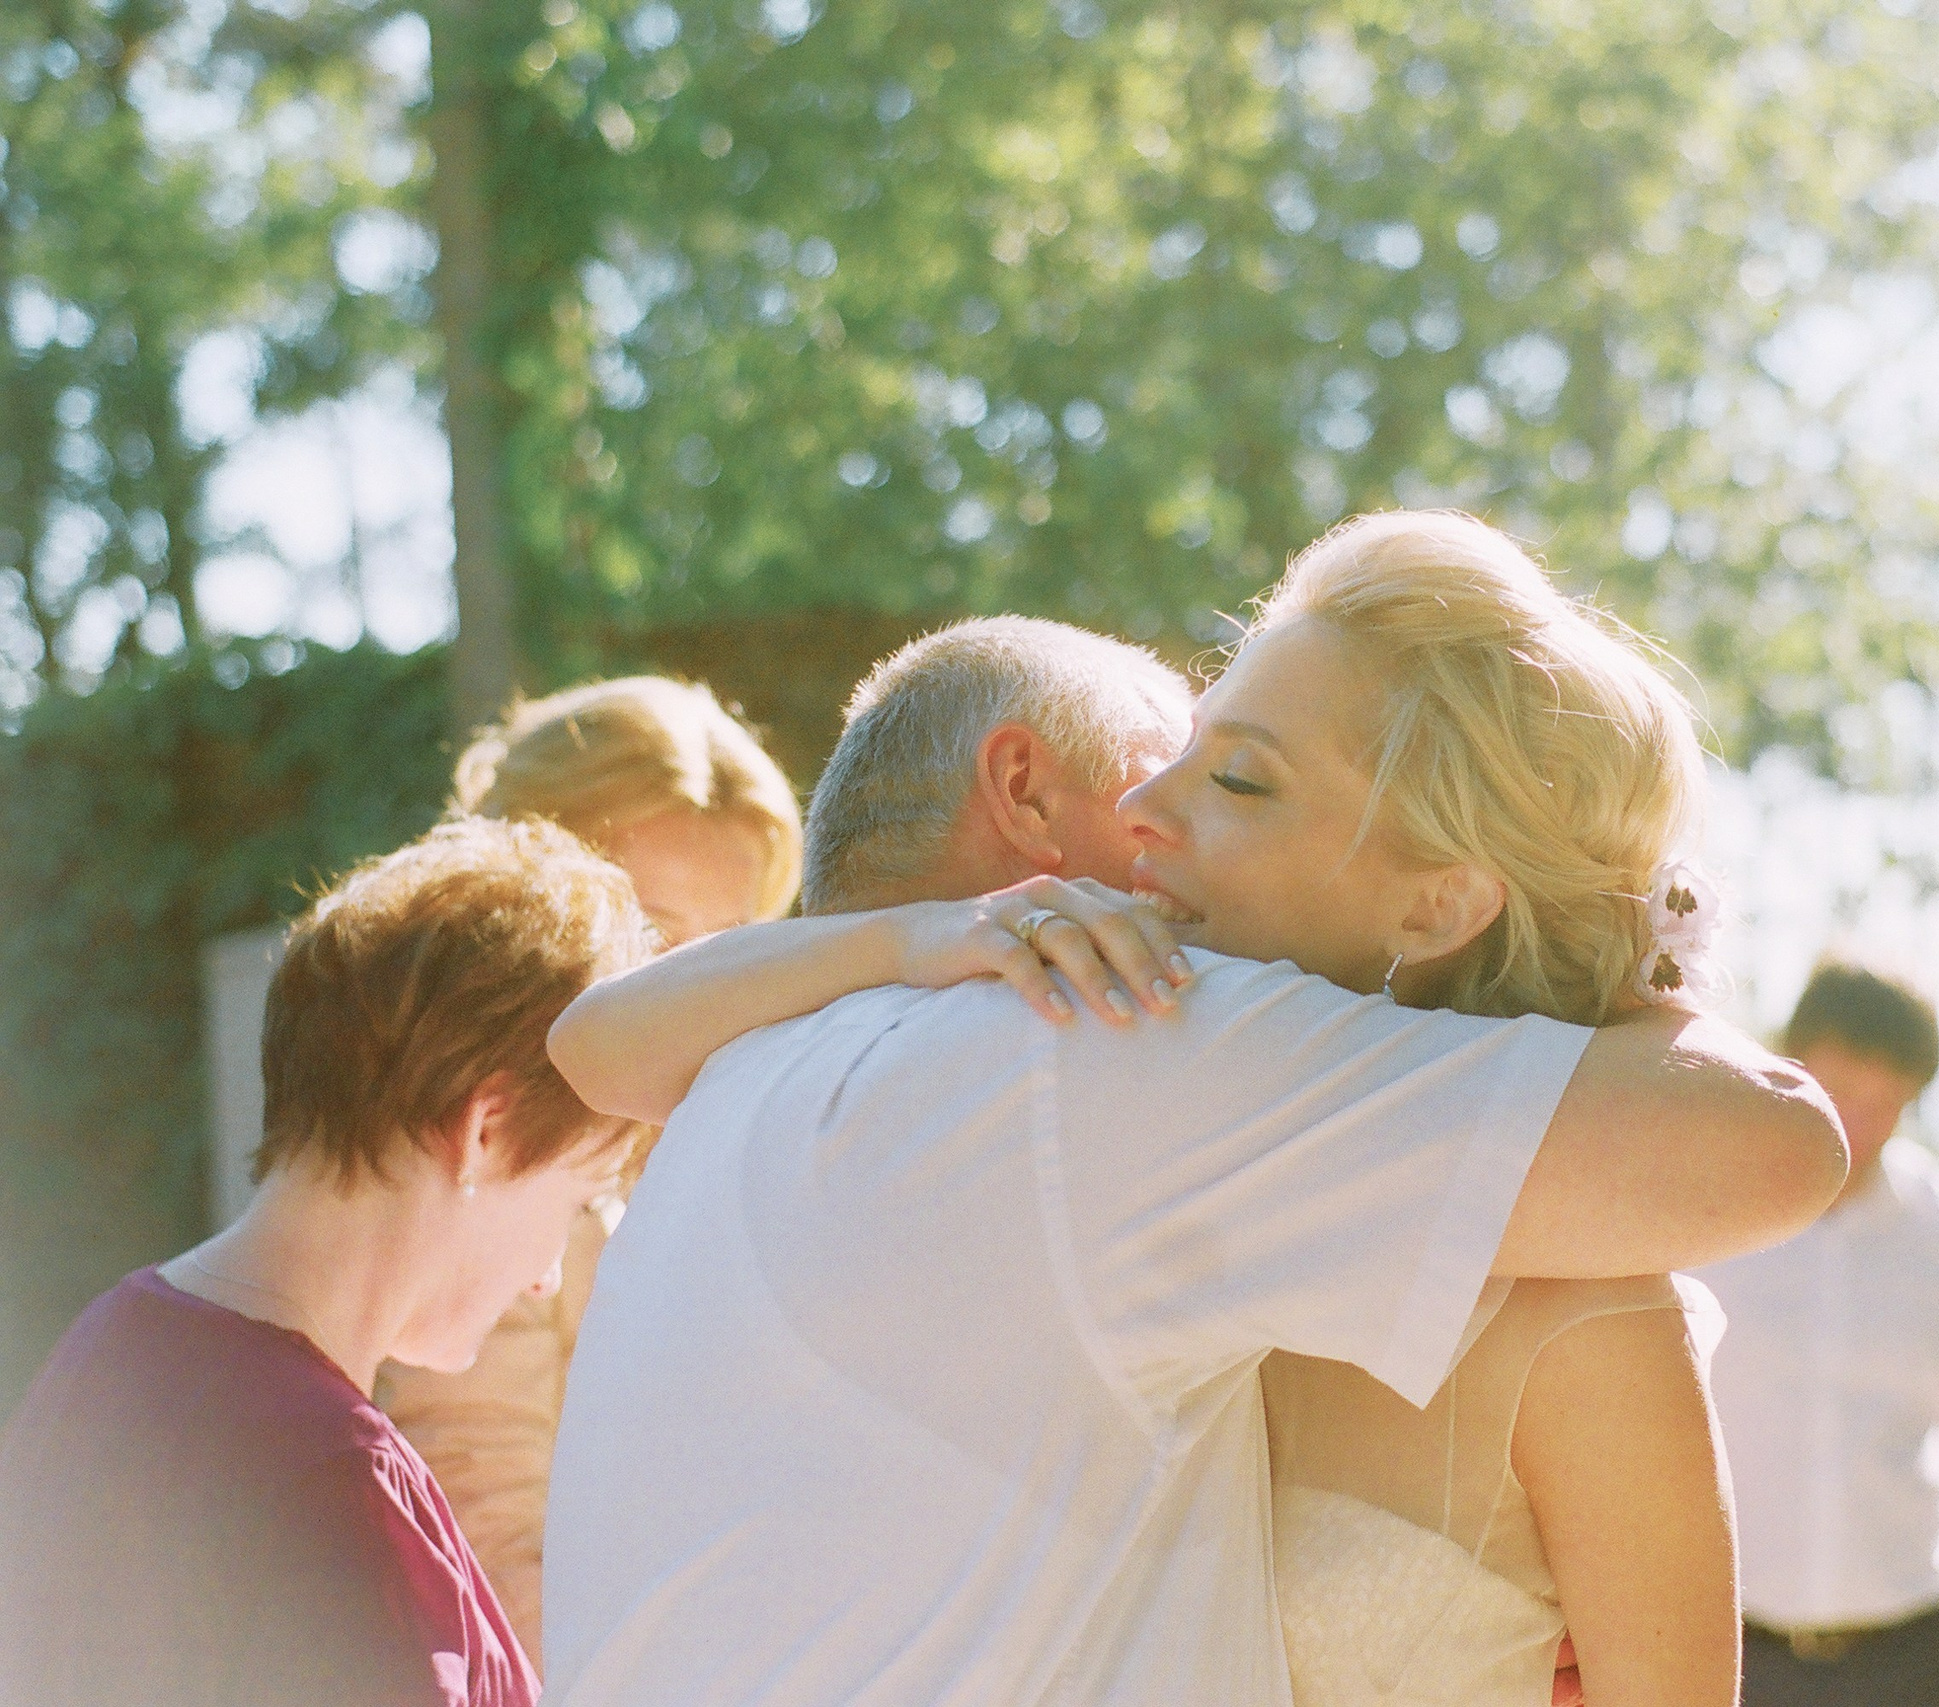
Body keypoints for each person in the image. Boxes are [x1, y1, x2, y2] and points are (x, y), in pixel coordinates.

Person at [539, 515, 1819, 1706]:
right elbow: (1769, 1137)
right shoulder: (1115, 1052)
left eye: (1236, 777)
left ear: (1440, 897)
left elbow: (596, 1048)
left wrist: (1635, 927)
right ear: (1026, 798)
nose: (1154, 814)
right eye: (1167, 760)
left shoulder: (748, 1067)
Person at [0, 817, 654, 1706]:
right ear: (486, 1130)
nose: (547, 1273)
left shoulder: (105, 1350)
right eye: (576, 1198)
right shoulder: (331, 1489)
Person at [376, 674, 802, 1663]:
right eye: (652, 931)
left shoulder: (718, 1137)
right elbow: (488, 1540)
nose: (690, 981)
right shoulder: (485, 1160)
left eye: (728, 946)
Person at [1693, 958, 1939, 1707]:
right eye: (1838, 1091)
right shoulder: (1707, 1215)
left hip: (1908, 1654)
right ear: (1790, 1066)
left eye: (1884, 1103)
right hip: (1725, 1647)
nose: (1854, 1125)